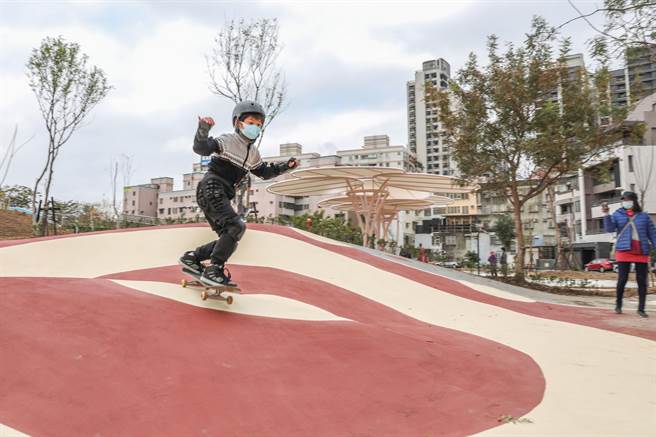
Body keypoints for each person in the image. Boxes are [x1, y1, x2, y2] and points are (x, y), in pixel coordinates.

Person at [179, 101, 298, 286]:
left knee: (230, 235)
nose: (255, 128)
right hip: (212, 187)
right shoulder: (227, 140)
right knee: (237, 227)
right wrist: (203, 129)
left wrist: (285, 167)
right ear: (238, 123)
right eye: (251, 123)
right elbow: (201, 148)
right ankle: (214, 269)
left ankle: (193, 258)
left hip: (219, 194)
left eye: (259, 125)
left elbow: (264, 172)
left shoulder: (253, 154)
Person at [603, 191, 656, 318]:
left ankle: (641, 309)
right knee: (622, 279)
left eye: (627, 199)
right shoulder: (617, 214)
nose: (625, 202)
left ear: (634, 201)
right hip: (623, 250)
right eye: (623, 200)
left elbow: (653, 233)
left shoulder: (644, 216)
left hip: (641, 251)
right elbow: (609, 229)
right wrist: (606, 214)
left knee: (642, 281)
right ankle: (618, 305)